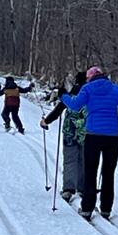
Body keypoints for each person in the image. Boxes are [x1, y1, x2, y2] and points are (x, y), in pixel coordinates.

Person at [61, 66, 118, 220]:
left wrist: (63, 96)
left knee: (90, 172)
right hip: (113, 135)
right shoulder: (115, 89)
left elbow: (75, 105)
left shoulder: (87, 89)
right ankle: (106, 209)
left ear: (90, 78)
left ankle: (87, 208)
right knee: (108, 173)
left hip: (93, 134)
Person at [40, 71, 88, 203]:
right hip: (87, 133)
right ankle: (83, 188)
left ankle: (68, 189)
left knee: (70, 160)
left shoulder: (71, 95)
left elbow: (58, 110)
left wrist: (46, 121)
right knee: (85, 160)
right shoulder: (90, 95)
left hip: (70, 132)